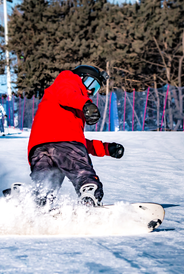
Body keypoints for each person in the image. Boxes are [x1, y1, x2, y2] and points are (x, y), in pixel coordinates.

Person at [27, 65, 125, 207]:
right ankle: (89, 195)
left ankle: (31, 203)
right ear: (81, 77)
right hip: (64, 143)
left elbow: (75, 141)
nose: (91, 91)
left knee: (45, 185)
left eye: (96, 88)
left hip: (39, 148)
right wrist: (85, 104)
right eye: (92, 84)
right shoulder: (68, 80)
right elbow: (65, 94)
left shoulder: (63, 107)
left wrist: (106, 148)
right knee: (82, 172)